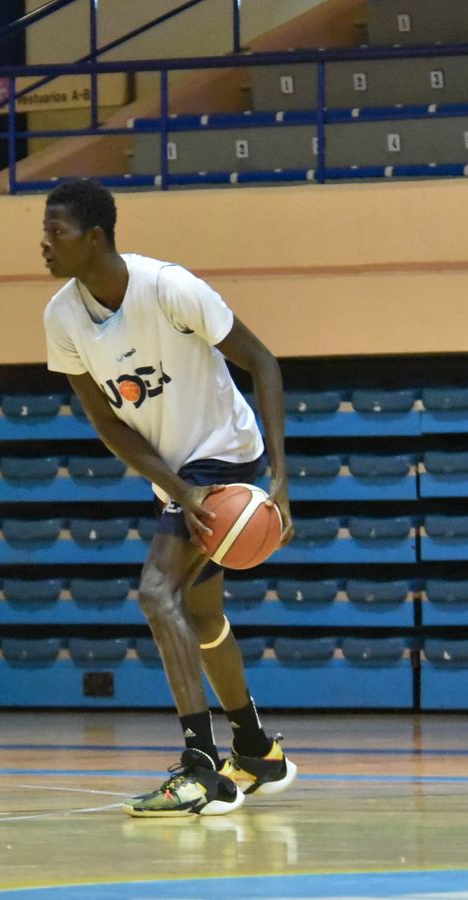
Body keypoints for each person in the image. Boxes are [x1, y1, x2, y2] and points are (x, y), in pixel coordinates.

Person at [39, 178, 299, 817]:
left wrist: (282, 479)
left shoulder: (169, 287)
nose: (44, 245)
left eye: (57, 232)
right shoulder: (62, 316)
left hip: (228, 455)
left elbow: (263, 362)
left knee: (157, 593)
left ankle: (201, 771)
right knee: (201, 615)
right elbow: (107, 422)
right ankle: (256, 748)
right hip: (177, 473)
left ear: (94, 238)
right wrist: (178, 489)